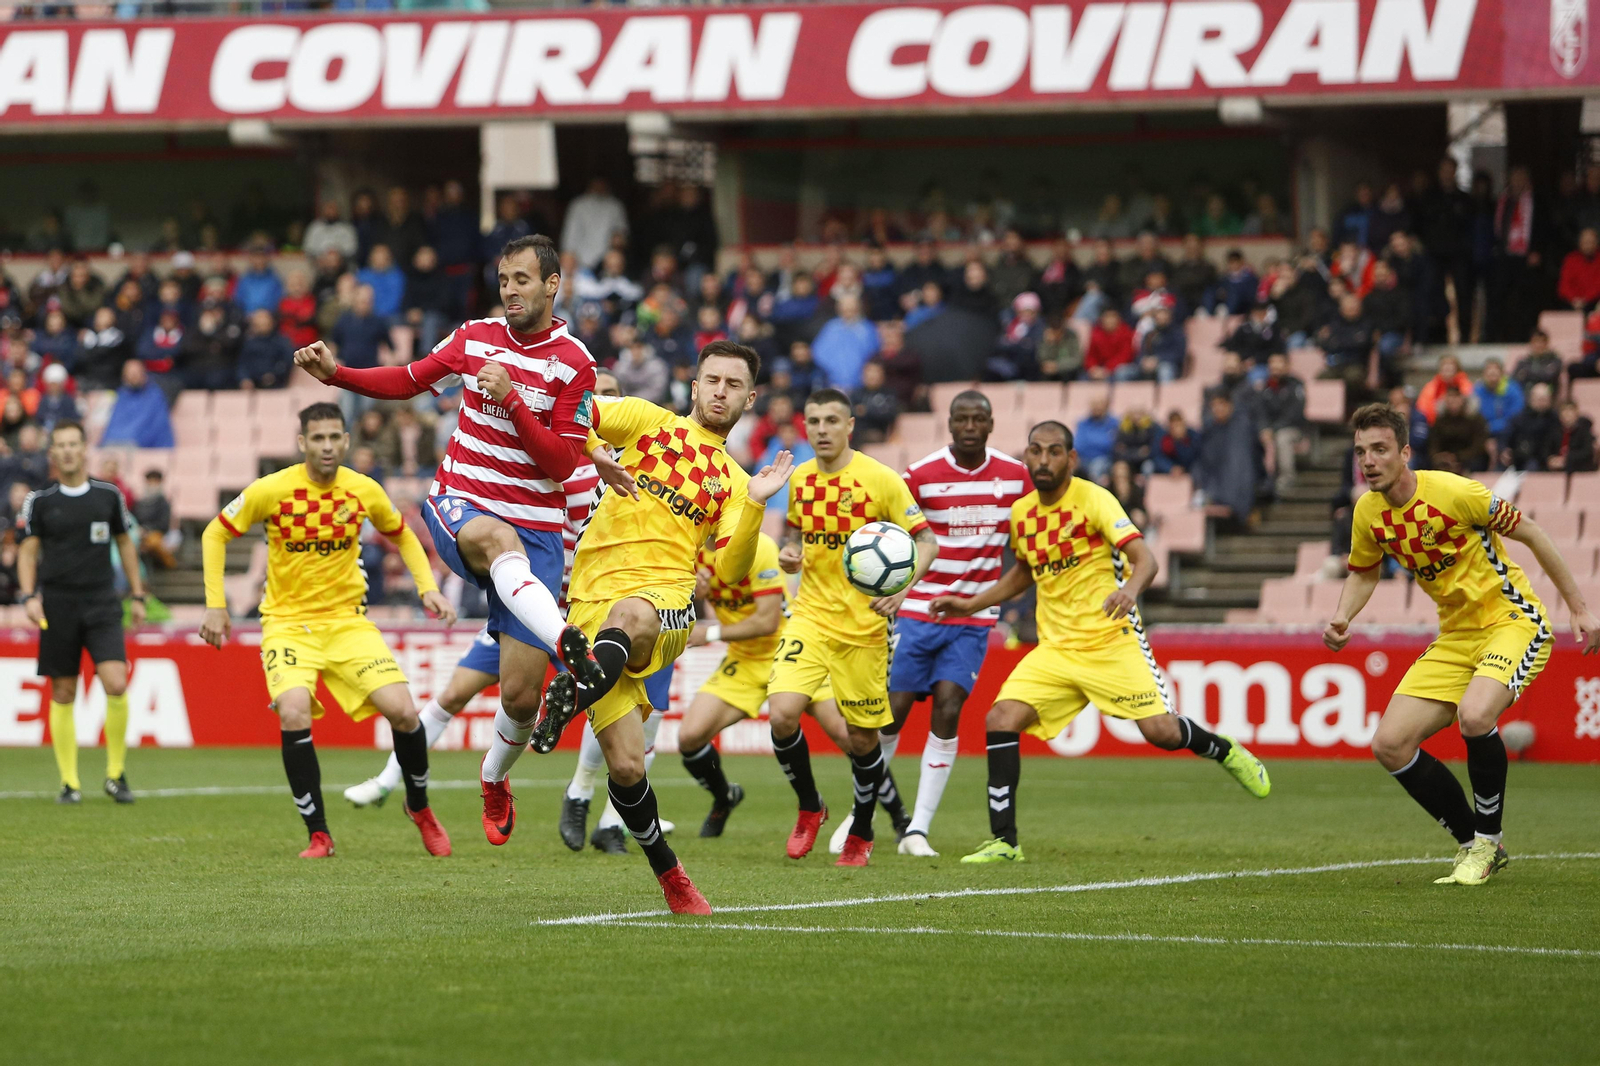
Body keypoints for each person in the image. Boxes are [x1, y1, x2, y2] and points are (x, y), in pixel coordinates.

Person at [294, 233, 614, 846]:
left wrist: (513, 401)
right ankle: (566, 641)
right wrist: (338, 376)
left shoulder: (575, 363)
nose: (510, 290)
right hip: (461, 505)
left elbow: (558, 463)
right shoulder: (474, 336)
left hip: (538, 529)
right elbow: (409, 379)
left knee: (520, 698)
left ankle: (493, 776)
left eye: (522, 280)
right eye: (504, 280)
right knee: (497, 540)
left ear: (552, 285)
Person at [931, 421, 1270, 864]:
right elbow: (1024, 573)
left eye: (1054, 451)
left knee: (1162, 733)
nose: (1044, 460)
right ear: (1026, 456)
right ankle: (1005, 841)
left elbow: (1145, 560)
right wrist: (969, 604)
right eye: (1036, 450)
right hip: (1056, 649)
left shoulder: (1094, 499)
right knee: (1000, 718)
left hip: (1111, 640)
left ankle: (1225, 750)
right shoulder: (1022, 513)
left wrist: (1129, 591)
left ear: (1071, 458)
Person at [545, 341, 794, 912]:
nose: (721, 392)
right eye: (713, 380)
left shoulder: (736, 482)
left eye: (734, 385)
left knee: (631, 615)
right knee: (627, 766)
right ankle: (672, 876)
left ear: (749, 399)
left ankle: (574, 691)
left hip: (666, 602)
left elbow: (730, 568)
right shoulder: (645, 420)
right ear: (695, 386)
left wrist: (756, 504)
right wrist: (595, 452)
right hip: (590, 599)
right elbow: (573, 411)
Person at [1322, 403, 1600, 886]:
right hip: (1456, 635)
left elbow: (1532, 532)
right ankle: (1473, 843)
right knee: (1390, 745)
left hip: (1513, 621)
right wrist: (1344, 615)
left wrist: (1578, 607)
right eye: (1361, 451)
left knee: (1475, 715)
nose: (1368, 460)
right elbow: (1364, 573)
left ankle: (1488, 843)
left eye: (1380, 449)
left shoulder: (1455, 492)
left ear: (1404, 453)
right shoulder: (1367, 512)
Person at [199, 402, 458, 857]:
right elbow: (214, 533)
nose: (326, 446)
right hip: (287, 625)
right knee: (293, 710)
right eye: (317, 438)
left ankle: (418, 806)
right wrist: (216, 606)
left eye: (334, 437)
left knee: (404, 713)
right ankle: (318, 834)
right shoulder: (272, 489)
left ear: (346, 441)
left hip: (347, 624)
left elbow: (402, 533)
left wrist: (427, 588)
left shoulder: (362, 489)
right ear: (302, 442)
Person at [766, 388, 938, 867]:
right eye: (813, 421)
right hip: (810, 616)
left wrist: (902, 590)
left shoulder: (881, 480)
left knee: (862, 740)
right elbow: (797, 535)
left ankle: (862, 828)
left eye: (831, 421)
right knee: (781, 714)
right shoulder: (801, 477)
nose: (821, 429)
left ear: (850, 426)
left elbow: (927, 541)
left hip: (864, 628)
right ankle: (810, 806)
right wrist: (790, 553)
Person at [867, 391, 1029, 856]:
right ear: (950, 424)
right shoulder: (921, 475)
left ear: (991, 424)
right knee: (892, 715)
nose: (970, 426)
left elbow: (1037, 525)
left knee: (948, 706)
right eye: (962, 419)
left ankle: (917, 830)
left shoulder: (1015, 477)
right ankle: (860, 818)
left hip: (973, 615)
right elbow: (887, 525)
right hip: (917, 608)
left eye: (979, 419)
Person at [678, 532, 856, 837]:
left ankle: (899, 817)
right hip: (744, 659)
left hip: (791, 649)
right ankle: (725, 797)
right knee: (689, 737)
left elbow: (767, 621)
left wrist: (710, 634)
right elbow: (683, 610)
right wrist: (694, 595)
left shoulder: (757, 546)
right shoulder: (691, 548)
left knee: (848, 735)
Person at [16, 421, 147, 805]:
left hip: (102, 601)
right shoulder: (40, 500)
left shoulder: (108, 495)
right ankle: (69, 783)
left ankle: (115, 774)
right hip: (58, 604)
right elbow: (28, 552)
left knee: (116, 682)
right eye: (61, 445)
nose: (68, 451)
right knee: (63, 691)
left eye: (74, 443)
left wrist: (138, 594)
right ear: (52, 453)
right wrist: (29, 596)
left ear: (85, 448)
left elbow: (125, 544)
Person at [1255, 351, 1307, 496]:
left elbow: (1295, 414)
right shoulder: (1264, 387)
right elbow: (1260, 412)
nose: (1275, 367)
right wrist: (1263, 428)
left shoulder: (1296, 385)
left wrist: (1273, 429)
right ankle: (1260, 480)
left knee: (1282, 437)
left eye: (1279, 363)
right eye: (1272, 363)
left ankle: (1287, 478)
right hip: (1270, 430)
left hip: (1294, 429)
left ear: (1287, 365)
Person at [1472, 358, 1524, 454]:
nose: (1492, 378)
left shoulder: (1512, 390)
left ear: (1502, 374)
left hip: (1506, 433)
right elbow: (1474, 413)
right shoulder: (1477, 391)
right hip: (1482, 433)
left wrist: (1492, 427)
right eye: (1489, 374)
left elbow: (1515, 415)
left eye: (1495, 374)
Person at [1512, 329, 1565, 395]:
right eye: (1536, 342)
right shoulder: (1523, 361)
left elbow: (1549, 376)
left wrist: (1527, 373)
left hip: (1547, 395)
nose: (1539, 345)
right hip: (1526, 395)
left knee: (1540, 390)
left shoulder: (1555, 360)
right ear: (1531, 343)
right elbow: (1514, 378)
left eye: (1542, 342)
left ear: (1547, 344)